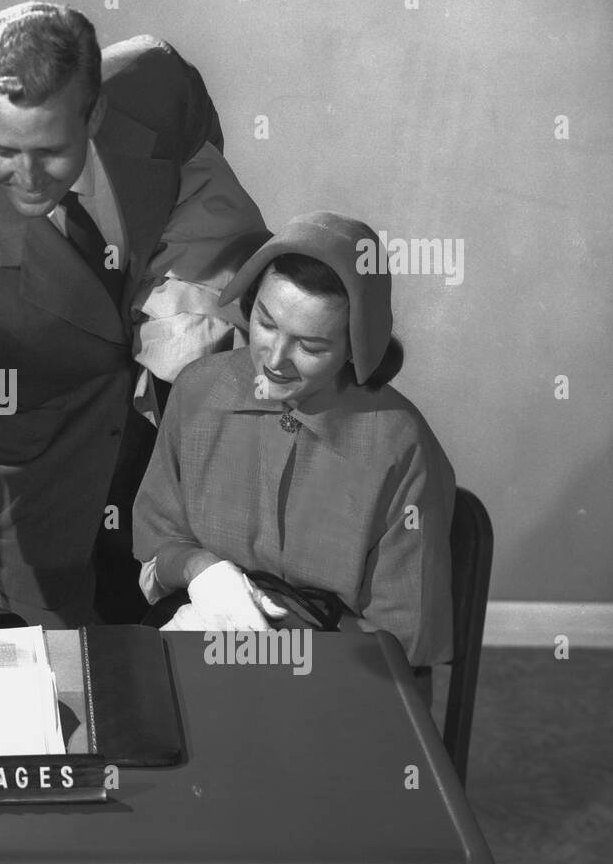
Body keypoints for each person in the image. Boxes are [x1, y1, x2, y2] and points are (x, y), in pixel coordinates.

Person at [0, 1, 267, 635]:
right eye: (1, 149)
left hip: (175, 421)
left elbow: (195, 138)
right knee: (72, 675)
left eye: (52, 151)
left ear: (95, 113)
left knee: (216, 635)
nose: (27, 179)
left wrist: (182, 274)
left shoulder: (153, 79)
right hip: (47, 477)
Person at [133, 211, 456, 669]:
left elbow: (402, 642)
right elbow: (157, 540)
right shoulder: (198, 389)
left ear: (356, 347)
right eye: (265, 323)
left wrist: (282, 657)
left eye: (311, 346)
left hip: (336, 675)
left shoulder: (399, 446)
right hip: (195, 644)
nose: (276, 359)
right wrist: (199, 569)